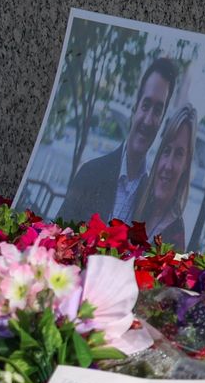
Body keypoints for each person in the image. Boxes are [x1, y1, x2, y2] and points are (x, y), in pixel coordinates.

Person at [57, 56, 180, 225]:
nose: (148, 120)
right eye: (145, 106)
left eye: (158, 111)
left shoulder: (152, 203)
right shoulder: (89, 174)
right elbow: (57, 238)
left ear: (162, 121)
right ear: (134, 109)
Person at [134, 103, 196, 250]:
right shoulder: (137, 201)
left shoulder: (175, 238)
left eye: (179, 154)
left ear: (186, 165)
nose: (168, 166)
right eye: (166, 151)